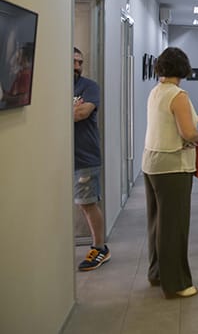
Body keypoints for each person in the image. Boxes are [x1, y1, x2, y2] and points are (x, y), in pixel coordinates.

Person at [142, 47, 198, 299]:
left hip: (152, 163)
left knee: (157, 222)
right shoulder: (178, 94)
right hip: (172, 166)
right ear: (183, 68)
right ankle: (177, 283)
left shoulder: (156, 91)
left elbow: (171, 121)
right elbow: (187, 133)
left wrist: (197, 119)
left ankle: (157, 273)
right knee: (174, 226)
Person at [73, 47, 110, 271]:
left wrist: (66, 111)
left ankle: (99, 248)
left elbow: (81, 113)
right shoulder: (55, 85)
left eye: (80, 62)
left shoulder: (90, 87)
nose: (77, 66)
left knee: (87, 203)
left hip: (85, 156)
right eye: (73, 61)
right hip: (60, 157)